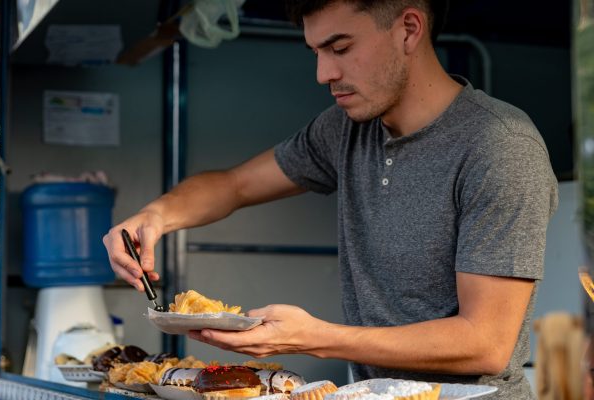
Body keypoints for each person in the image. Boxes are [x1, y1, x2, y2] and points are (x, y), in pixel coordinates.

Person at [102, 0, 558, 398]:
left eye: (340, 48)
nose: (324, 73)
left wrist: (315, 338)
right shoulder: (346, 129)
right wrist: (155, 215)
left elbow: (485, 342)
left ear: (409, 29)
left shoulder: (500, 147)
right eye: (317, 52)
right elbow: (234, 185)